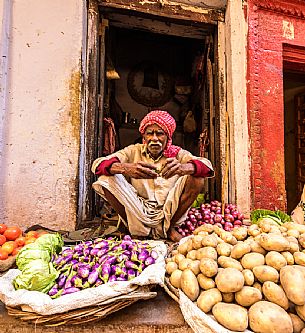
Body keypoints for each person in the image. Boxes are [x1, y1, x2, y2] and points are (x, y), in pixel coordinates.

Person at [91, 110, 214, 242]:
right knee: (105, 179)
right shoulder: (133, 151)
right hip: (138, 209)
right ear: (144, 137)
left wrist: (183, 168)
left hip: (169, 210)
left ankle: (168, 228)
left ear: (168, 137)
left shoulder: (178, 154)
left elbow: (207, 166)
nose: (154, 138)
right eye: (150, 133)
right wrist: (126, 168)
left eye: (160, 133)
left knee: (197, 178)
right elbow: (97, 165)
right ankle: (135, 229)